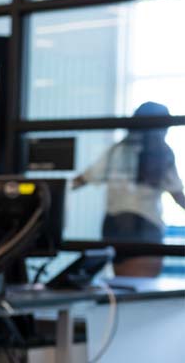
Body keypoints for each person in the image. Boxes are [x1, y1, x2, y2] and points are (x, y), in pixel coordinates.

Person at [73, 101, 185, 277]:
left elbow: (82, 179)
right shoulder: (161, 153)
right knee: (142, 291)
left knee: (126, 286)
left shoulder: (118, 149)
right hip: (144, 225)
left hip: (114, 225)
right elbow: (178, 196)